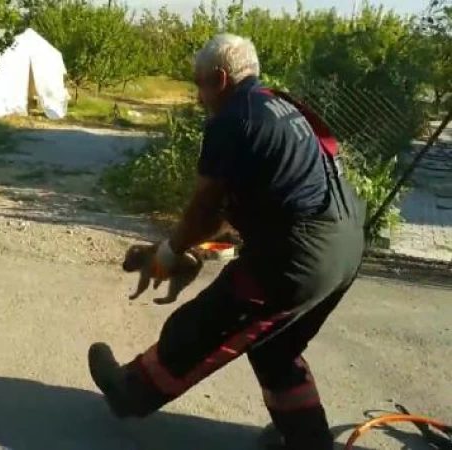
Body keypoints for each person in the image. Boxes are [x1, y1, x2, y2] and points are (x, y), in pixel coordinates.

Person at [87, 33, 366, 450]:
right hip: (346, 247)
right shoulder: (282, 104)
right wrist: (201, 245)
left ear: (219, 78)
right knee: (276, 348)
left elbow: (207, 207)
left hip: (296, 261)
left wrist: (169, 251)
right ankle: (304, 438)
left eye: (198, 84)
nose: (198, 97)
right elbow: (274, 193)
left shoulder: (233, 117)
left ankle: (130, 391)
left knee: (199, 326)